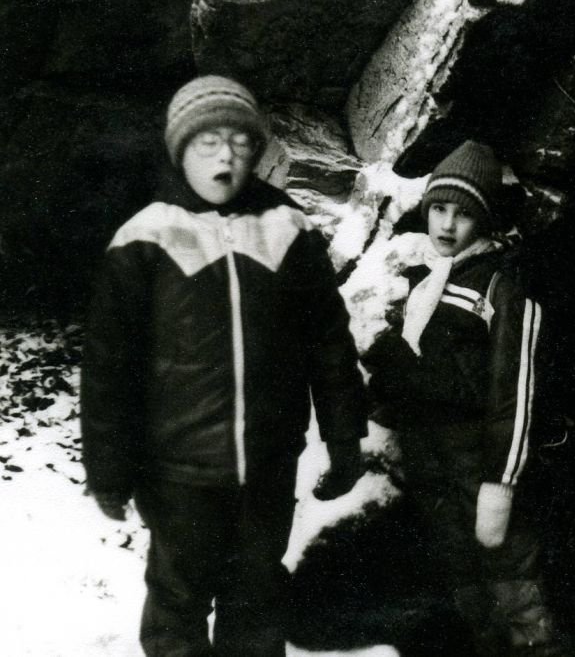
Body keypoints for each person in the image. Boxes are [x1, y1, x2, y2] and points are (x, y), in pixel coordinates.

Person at [80, 75, 370, 656]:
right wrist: (108, 468)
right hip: (178, 471)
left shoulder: (288, 228)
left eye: (239, 142)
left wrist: (344, 438)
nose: (225, 157)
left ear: (257, 152)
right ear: (179, 150)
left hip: (267, 464)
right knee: (177, 603)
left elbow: (328, 344)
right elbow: (110, 368)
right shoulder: (146, 237)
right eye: (208, 142)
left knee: (256, 601)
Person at [361, 140, 563, 656]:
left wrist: (502, 483)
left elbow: (516, 388)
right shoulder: (428, 281)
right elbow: (427, 373)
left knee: (510, 574)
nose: (447, 224)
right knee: (463, 582)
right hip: (433, 464)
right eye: (439, 209)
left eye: (464, 214)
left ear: (485, 220)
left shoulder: (503, 283)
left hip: (481, 464)